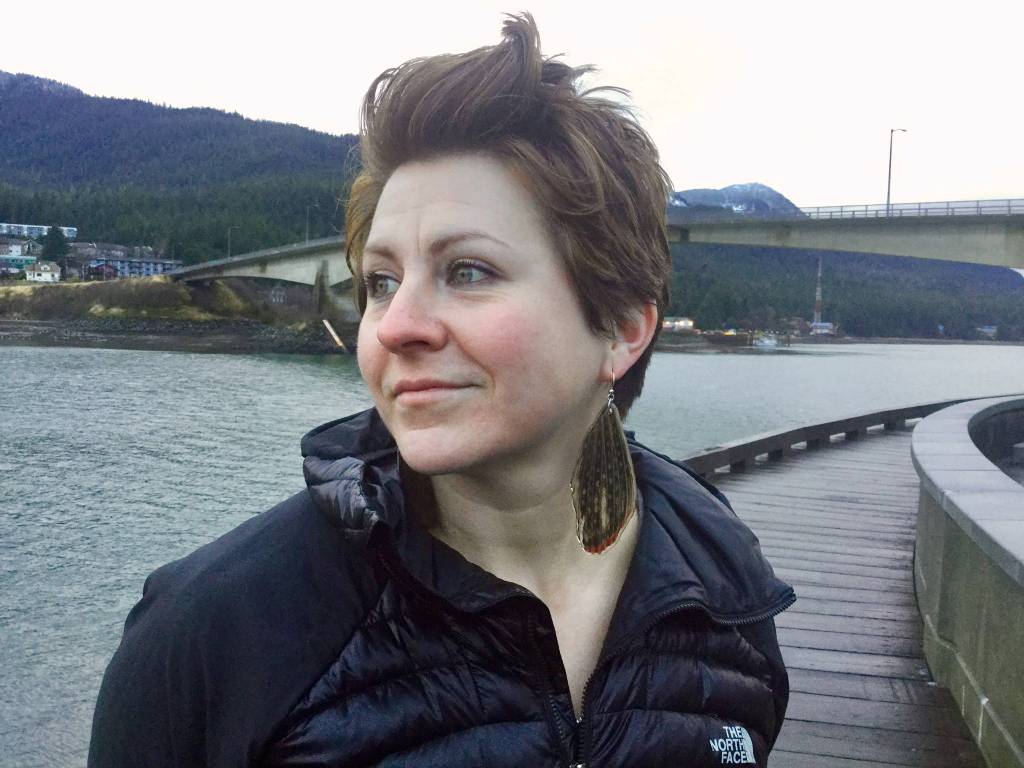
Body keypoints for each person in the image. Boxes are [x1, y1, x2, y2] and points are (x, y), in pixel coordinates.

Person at [89, 13, 795, 767]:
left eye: (468, 272)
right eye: (382, 283)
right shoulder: (215, 630)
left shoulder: (725, 581)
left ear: (622, 329)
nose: (398, 326)